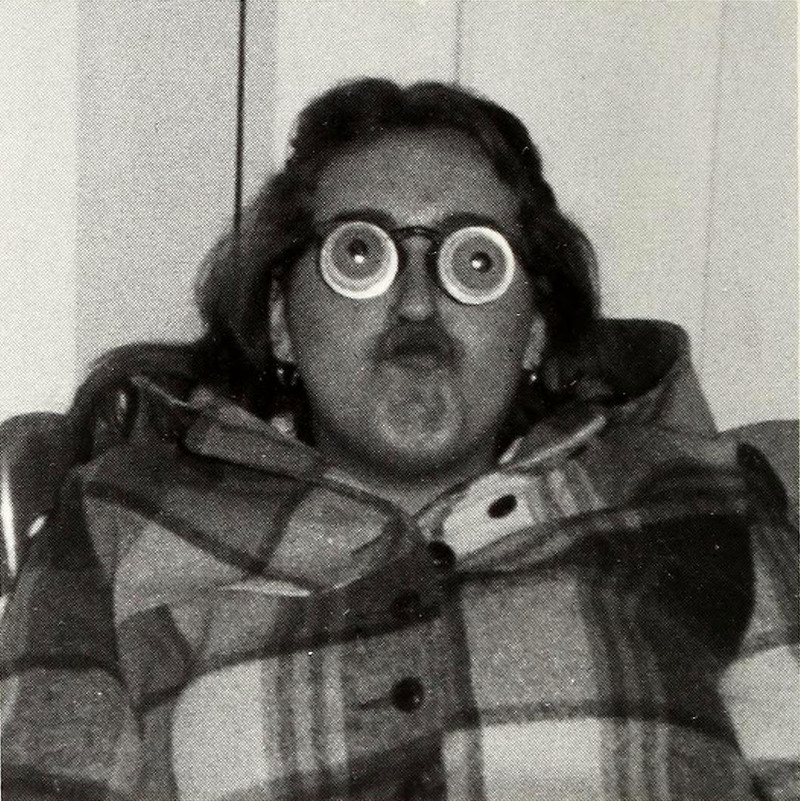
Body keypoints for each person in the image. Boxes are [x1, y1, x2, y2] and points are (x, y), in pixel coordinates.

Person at [0, 79, 793, 800]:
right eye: (360, 254)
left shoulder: (705, 494)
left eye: (475, 261)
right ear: (282, 320)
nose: (417, 303)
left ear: (533, 330)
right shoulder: (121, 517)